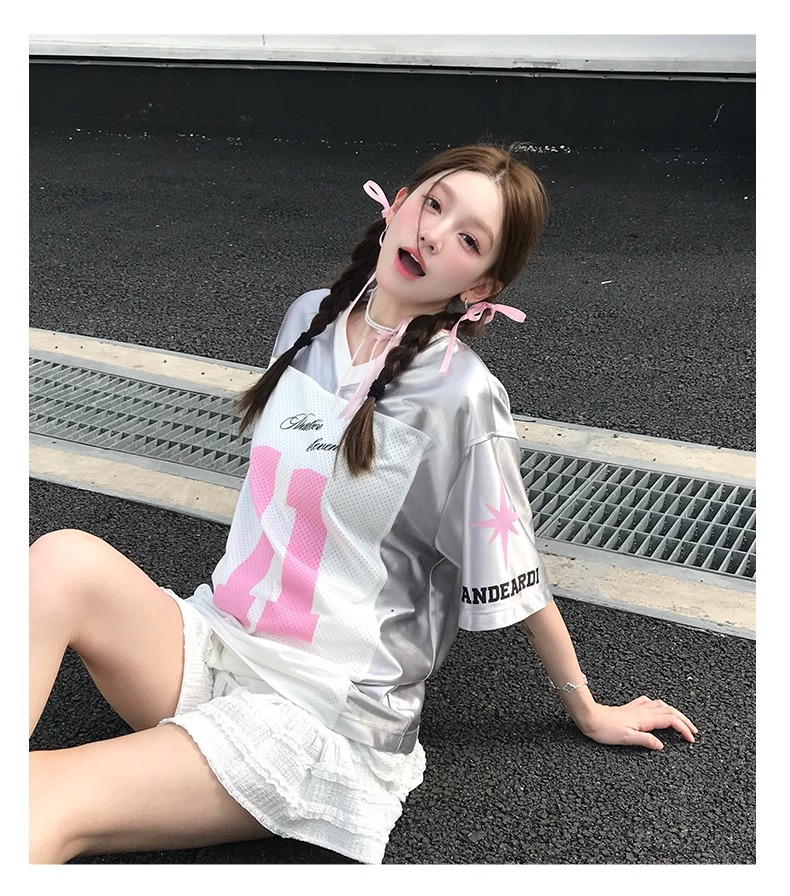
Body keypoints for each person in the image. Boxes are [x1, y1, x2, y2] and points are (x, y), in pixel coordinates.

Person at [28, 143, 697, 865]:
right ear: (398, 202)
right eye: (433, 204)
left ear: (480, 287)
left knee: (35, 797)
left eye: (468, 239)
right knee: (63, 559)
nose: (434, 234)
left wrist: (587, 707)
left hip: (322, 715)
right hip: (218, 644)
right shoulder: (309, 319)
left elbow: (516, 568)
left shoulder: (462, 396)